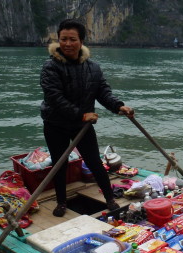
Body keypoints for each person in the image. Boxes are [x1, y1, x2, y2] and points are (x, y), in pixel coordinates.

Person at [40, 19, 134, 217]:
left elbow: (103, 92)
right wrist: (82, 114)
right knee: (60, 164)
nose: (67, 43)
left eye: (72, 39)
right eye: (63, 39)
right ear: (58, 40)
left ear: (81, 41)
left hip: (82, 126)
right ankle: (61, 202)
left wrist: (119, 106)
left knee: (94, 162)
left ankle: (109, 199)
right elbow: (54, 98)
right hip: (56, 124)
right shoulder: (50, 67)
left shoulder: (93, 68)